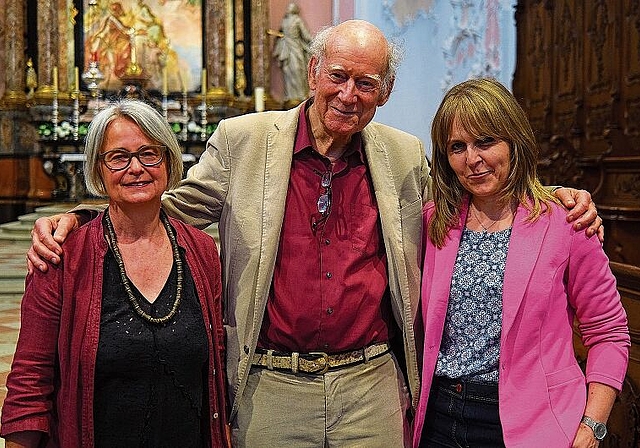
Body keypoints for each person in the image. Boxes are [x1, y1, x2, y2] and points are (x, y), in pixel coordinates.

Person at [28, 21, 601, 447]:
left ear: (385, 93)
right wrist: (77, 217)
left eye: (367, 83)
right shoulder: (244, 141)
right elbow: (165, 205)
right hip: (272, 386)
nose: (349, 94)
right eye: (338, 76)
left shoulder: (402, 157)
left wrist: (551, 197)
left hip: (371, 383)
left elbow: (470, 194)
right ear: (312, 73)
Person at [413, 78, 629, 447]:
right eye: (457, 147)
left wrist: (593, 426)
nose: (472, 159)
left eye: (485, 141)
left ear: (514, 142)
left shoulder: (567, 221)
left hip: (532, 420)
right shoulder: (433, 222)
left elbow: (608, 332)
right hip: (438, 417)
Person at [1, 99, 229, 448]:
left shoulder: (201, 251)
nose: (135, 168)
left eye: (149, 153)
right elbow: (30, 380)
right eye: (118, 157)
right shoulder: (62, 256)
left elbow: (214, 365)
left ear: (168, 162)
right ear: (99, 169)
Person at [272, 2, 312, 105]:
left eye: (291, 7)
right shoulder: (284, 21)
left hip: (295, 47)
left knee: (298, 69)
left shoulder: (297, 20)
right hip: (287, 48)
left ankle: (299, 95)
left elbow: (305, 35)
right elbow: (280, 32)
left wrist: (315, 42)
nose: (289, 9)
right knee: (287, 71)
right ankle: (290, 96)